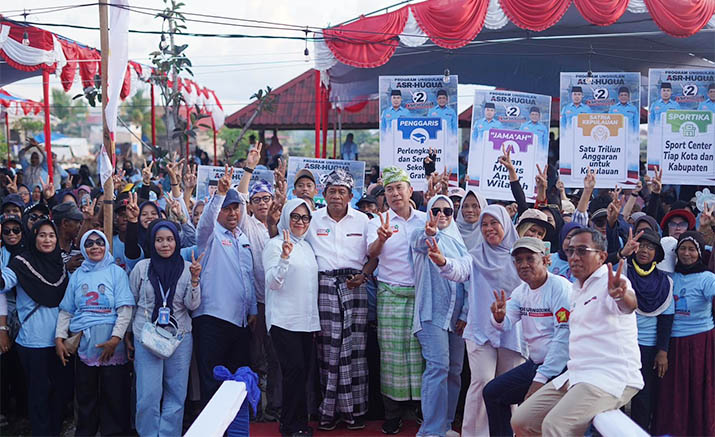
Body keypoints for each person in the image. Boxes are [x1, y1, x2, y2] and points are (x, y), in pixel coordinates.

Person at [511, 228, 643, 436]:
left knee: (555, 426)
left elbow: (628, 305)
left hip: (610, 376)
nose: (574, 257)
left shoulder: (612, 283)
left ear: (600, 256)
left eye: (582, 251)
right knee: (521, 420)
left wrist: (620, 296)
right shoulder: (576, 289)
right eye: (570, 251)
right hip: (576, 374)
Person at [435, 205, 525, 437]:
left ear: (506, 223)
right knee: (483, 381)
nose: (489, 228)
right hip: (480, 331)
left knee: (508, 386)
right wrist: (443, 262)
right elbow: (458, 270)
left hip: (512, 330)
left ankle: (506, 432)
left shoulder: (520, 257)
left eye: (494, 223)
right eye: (484, 224)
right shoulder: (474, 255)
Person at [478, 237, 571, 437]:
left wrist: (540, 380)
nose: (523, 265)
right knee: (492, 393)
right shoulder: (521, 291)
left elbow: (563, 341)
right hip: (536, 363)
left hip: (562, 368)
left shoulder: (561, 288)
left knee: (534, 418)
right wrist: (498, 317)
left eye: (530, 258)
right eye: (518, 260)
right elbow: (505, 323)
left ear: (546, 260)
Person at [305, 169, 372, 430]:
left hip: (355, 287)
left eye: (341, 191)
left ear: (350, 195)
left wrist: (364, 276)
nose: (336, 196)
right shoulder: (312, 219)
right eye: (331, 191)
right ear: (324, 194)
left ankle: (353, 411)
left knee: (355, 350)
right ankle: (328, 412)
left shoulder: (364, 221)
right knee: (328, 352)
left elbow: (375, 255)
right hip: (324, 288)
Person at [54, 230, 134, 436]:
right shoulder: (78, 274)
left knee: (114, 394)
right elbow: (67, 310)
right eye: (89, 243)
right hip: (86, 346)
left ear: (106, 245)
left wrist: (115, 339)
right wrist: (59, 338)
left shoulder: (116, 272)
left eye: (100, 242)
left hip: (113, 346)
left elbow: (125, 309)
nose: (95, 246)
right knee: (86, 395)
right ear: (83, 249)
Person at [129, 220, 203, 436]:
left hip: (179, 337)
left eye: (169, 239)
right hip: (146, 337)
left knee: (176, 393)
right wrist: (128, 335)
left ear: (176, 241)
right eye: (159, 240)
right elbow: (132, 301)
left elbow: (192, 305)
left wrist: (196, 280)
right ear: (152, 242)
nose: (165, 244)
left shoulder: (189, 269)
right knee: (147, 395)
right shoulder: (142, 268)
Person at [366, 166, 426, 434]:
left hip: (422, 296)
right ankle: (393, 415)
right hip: (389, 294)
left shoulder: (425, 220)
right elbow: (371, 254)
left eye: (399, 187)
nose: (394, 193)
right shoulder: (376, 222)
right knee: (391, 357)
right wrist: (381, 239)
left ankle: (424, 410)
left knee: (422, 355)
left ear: (409, 191)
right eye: (389, 189)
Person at [192, 165, 257, 406]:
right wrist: (219, 195)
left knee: (237, 383)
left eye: (235, 208)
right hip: (212, 320)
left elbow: (247, 277)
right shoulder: (210, 236)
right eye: (226, 209)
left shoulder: (242, 237)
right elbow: (205, 224)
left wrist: (253, 311)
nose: (231, 213)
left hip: (239, 322)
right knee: (213, 382)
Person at [0, 219, 70, 436]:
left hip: (59, 341)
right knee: (39, 394)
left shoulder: (59, 263)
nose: (47, 240)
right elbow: (3, 282)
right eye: (42, 235)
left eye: (51, 235)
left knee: (60, 393)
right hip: (32, 341)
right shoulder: (21, 263)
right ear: (34, 237)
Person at [410, 195, 469, 437]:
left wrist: (465, 312)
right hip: (431, 314)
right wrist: (431, 234)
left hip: (457, 317)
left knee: (454, 370)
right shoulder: (421, 235)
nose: (442, 214)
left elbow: (468, 279)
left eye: (447, 210)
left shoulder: (460, 241)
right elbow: (421, 243)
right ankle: (431, 431)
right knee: (438, 367)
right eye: (436, 210)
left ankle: (445, 425)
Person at [263, 198, 320, 437]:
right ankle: (289, 425)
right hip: (283, 320)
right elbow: (273, 283)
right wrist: (285, 257)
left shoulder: (307, 246)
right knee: (293, 372)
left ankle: (300, 422)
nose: (300, 222)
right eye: (295, 216)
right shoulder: (275, 245)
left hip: (306, 321)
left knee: (302, 373)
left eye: (305, 217)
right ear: (286, 217)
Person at [237, 144, 283, 421]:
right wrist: (249, 167)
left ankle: (274, 407)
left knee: (277, 357)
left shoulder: (282, 223)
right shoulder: (247, 223)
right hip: (255, 302)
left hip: (280, 301)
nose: (263, 203)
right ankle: (254, 407)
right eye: (258, 200)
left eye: (267, 199)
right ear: (251, 206)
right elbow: (240, 195)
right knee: (256, 357)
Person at [653, 231, 715, 436]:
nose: (686, 254)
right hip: (673, 344)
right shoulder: (670, 277)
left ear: (699, 252)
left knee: (698, 392)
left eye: (692, 249)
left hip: (700, 343)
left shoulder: (707, 278)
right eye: (682, 248)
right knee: (674, 393)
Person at [616, 229, 674, 432]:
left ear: (657, 254)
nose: (645, 250)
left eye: (651, 247)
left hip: (647, 348)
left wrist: (662, 351)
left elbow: (666, 320)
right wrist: (622, 254)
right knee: (615, 394)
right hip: (619, 344)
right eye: (641, 245)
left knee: (643, 395)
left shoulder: (665, 282)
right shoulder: (622, 272)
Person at [52, 201, 84, 273]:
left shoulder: (79, 248)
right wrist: (65, 267)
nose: (80, 226)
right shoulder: (49, 249)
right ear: (65, 223)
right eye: (77, 222)